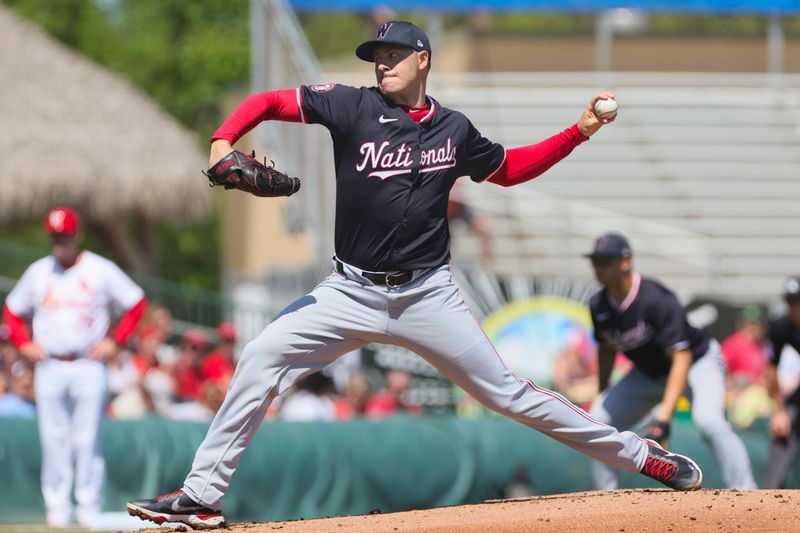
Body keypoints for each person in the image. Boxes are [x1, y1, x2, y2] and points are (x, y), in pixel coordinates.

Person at [127, 21, 702, 529]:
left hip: (428, 295)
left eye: (394, 53)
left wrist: (577, 132)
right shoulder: (351, 106)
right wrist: (222, 140)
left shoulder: (454, 129)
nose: (382, 61)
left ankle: (640, 455)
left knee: (507, 394)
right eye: (376, 54)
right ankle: (201, 496)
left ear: (422, 59)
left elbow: (509, 169)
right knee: (260, 355)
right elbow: (273, 100)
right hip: (348, 291)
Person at [2, 206, 147, 528]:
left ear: (77, 235)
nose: (59, 242)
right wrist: (24, 343)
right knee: (53, 438)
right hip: (49, 364)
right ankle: (57, 510)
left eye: (64, 236)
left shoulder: (99, 269)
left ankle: (87, 508)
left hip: (87, 363)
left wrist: (116, 341)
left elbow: (137, 302)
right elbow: (12, 310)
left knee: (87, 437)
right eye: (55, 237)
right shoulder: (40, 271)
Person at [584, 232, 756, 491]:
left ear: (625, 262)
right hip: (648, 373)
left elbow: (682, 356)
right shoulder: (598, 305)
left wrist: (663, 419)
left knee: (709, 422)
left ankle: (747, 491)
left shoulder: (655, 299)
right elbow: (606, 350)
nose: (598, 268)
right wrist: (602, 391)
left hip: (697, 362)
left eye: (605, 260)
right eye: (595, 261)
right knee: (598, 419)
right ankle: (606, 496)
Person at [762, 276, 800, 489]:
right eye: (791, 301)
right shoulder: (780, 327)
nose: (795, 307)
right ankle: (771, 495)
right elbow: (771, 368)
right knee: (782, 427)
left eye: (799, 301)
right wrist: (779, 410)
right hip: (794, 397)